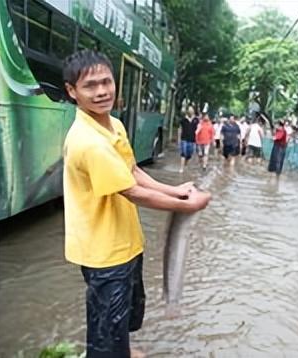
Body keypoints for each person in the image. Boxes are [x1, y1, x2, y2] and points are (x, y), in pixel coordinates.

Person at [62, 50, 211, 358]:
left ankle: (122, 350)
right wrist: (187, 207)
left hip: (126, 242)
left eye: (107, 81)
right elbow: (131, 191)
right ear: (71, 91)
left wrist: (174, 191)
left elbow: (132, 170)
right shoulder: (88, 142)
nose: (102, 91)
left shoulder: (114, 125)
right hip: (104, 254)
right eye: (90, 86)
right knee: (105, 332)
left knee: (122, 320)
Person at [178, 106, 199, 173]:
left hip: (192, 140)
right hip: (184, 139)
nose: (190, 111)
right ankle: (181, 168)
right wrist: (179, 139)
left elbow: (199, 129)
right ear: (187, 111)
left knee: (189, 154)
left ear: (193, 111)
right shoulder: (183, 120)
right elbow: (180, 129)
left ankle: (186, 163)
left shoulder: (196, 120)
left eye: (191, 110)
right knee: (183, 153)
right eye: (189, 110)